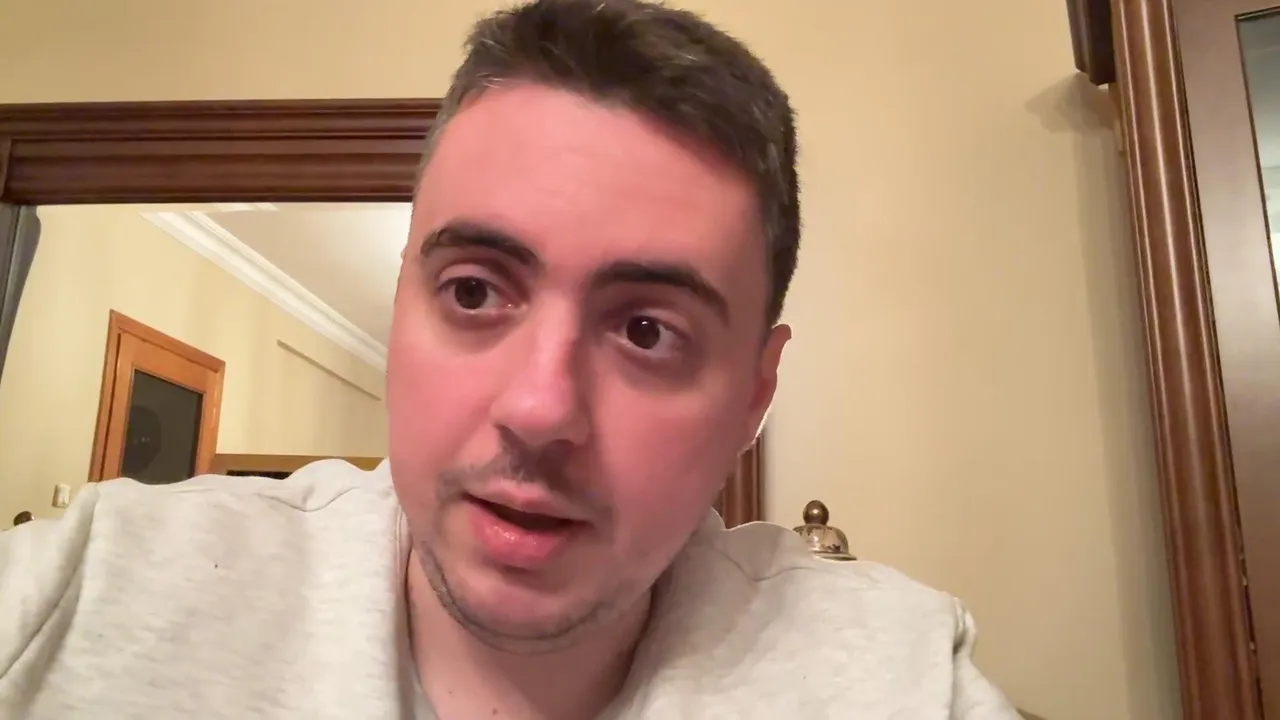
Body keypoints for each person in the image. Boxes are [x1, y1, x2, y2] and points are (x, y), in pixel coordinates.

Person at [0, 1, 1021, 718]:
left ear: (755, 394)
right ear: (402, 303)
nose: (538, 409)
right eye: (474, 292)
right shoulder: (88, 591)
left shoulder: (897, 681)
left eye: (646, 330)